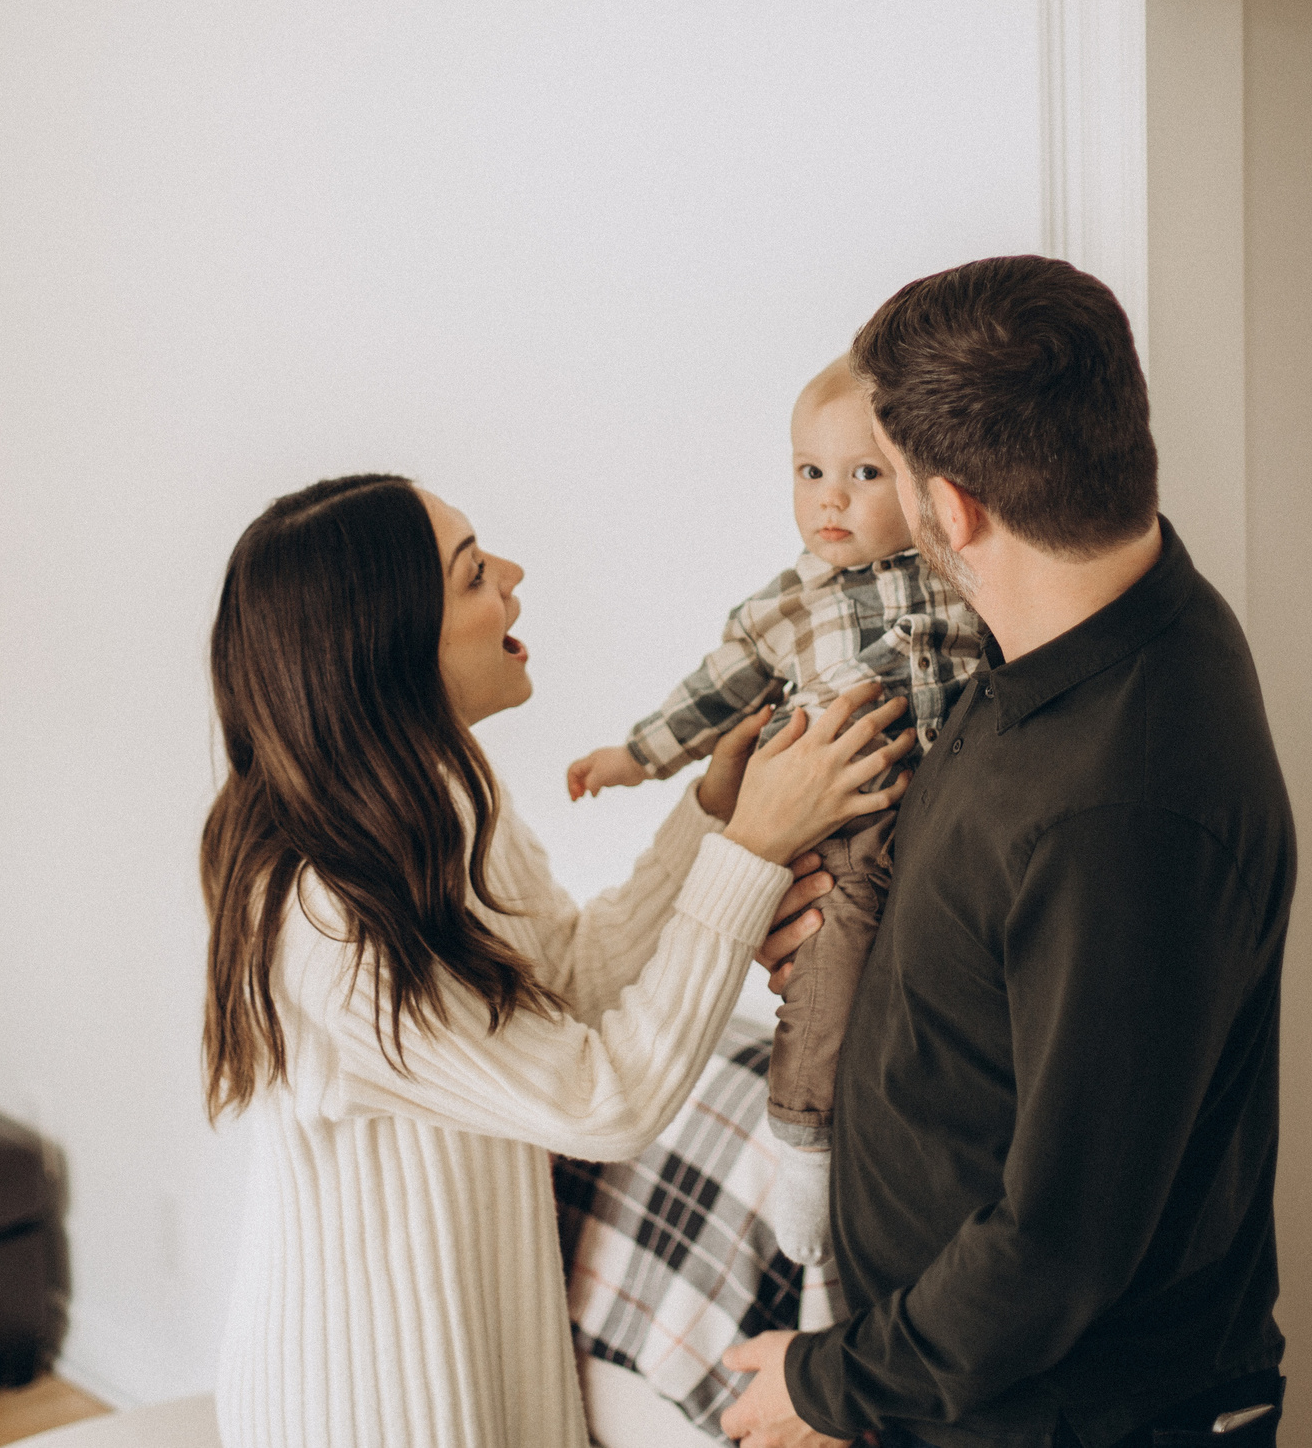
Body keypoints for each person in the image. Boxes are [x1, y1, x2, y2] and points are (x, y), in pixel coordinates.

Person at [202, 473, 915, 1448]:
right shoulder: (327, 919)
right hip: (372, 1414)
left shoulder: (440, 804)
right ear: (390, 646)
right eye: (471, 574)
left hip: (492, 1377)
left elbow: (569, 982)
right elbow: (602, 1102)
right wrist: (751, 849)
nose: (513, 575)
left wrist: (712, 813)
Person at [720, 257, 1298, 1448]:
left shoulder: (1117, 812)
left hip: (1056, 1417)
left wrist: (828, 1385)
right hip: (972, 1387)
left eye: (886, 474)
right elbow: (1004, 942)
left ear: (955, 509)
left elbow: (1059, 1241)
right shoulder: (1086, 628)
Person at [565, 355, 984, 1263]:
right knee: (827, 961)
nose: (831, 498)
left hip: (951, 805)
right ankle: (804, 1138)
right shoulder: (789, 604)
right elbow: (713, 693)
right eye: (810, 471)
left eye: (865, 473)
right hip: (847, 817)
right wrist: (633, 757)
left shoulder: (960, 570)